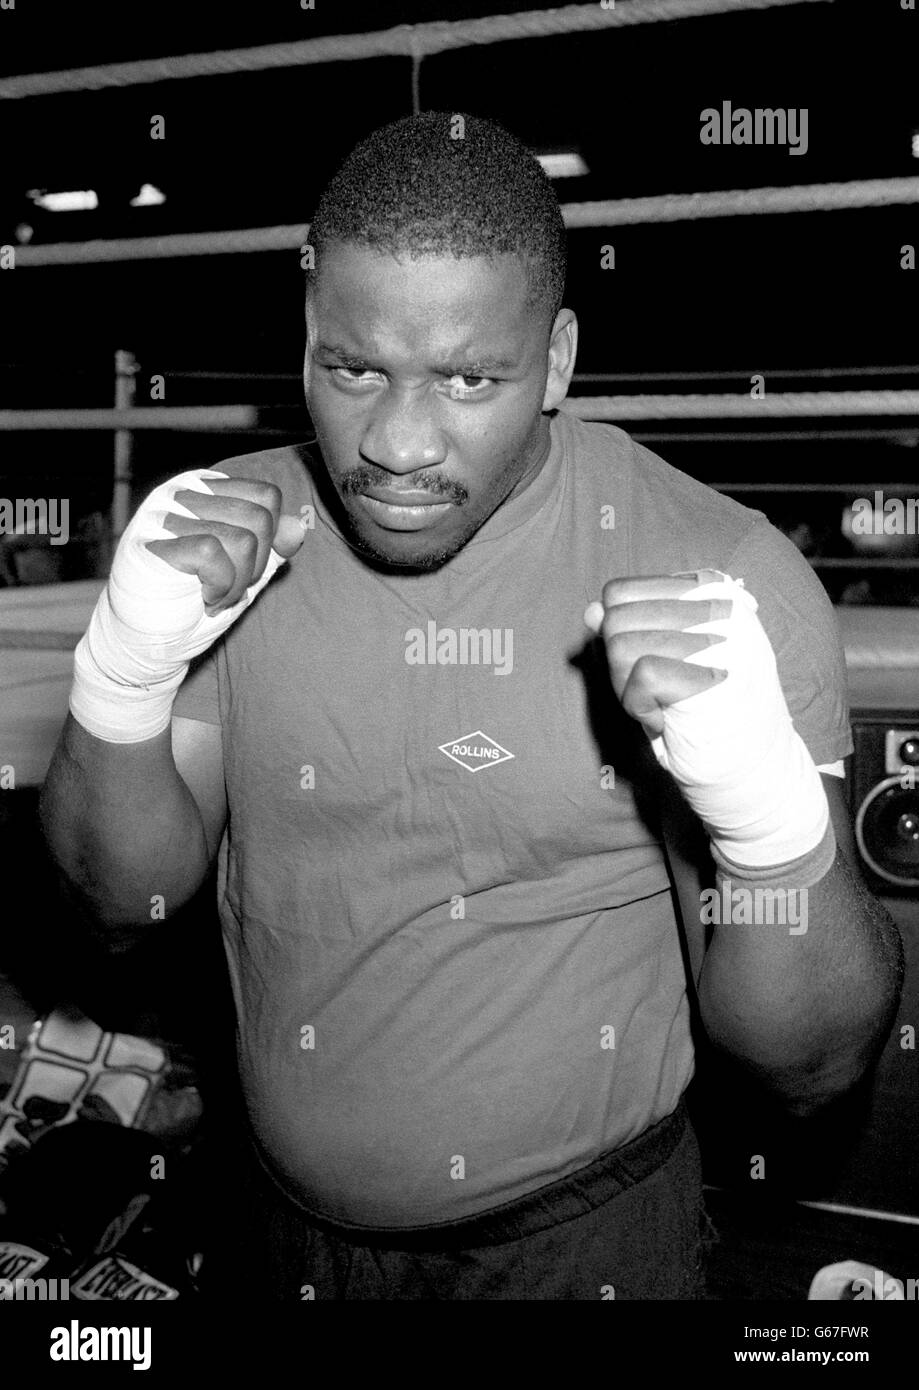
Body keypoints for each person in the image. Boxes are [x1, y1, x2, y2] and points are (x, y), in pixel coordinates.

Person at [40, 112, 903, 1301]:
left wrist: (764, 819)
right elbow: (119, 904)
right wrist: (124, 673)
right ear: (303, 339)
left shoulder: (714, 576)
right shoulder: (231, 536)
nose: (396, 442)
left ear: (554, 362)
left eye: (466, 378)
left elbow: (809, 1067)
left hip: (583, 1250)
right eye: (354, 369)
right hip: (273, 1231)